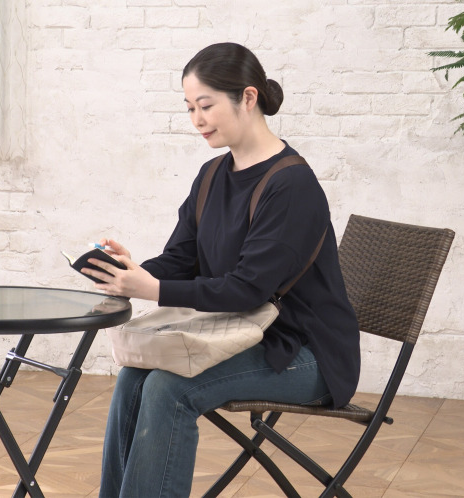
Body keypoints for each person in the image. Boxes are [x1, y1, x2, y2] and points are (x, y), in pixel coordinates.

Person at [83, 42, 360, 498]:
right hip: (241, 335)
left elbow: (247, 290)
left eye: (206, 105)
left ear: (248, 97)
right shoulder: (212, 175)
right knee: (135, 374)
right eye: (190, 107)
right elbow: (180, 259)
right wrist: (127, 273)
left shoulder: (291, 185)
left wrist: (151, 289)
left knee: (169, 388)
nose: (197, 119)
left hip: (306, 354)